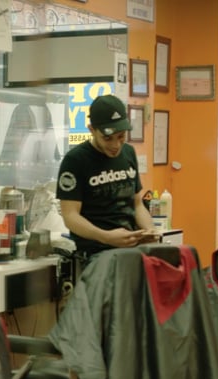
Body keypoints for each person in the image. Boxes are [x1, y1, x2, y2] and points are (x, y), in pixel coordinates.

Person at [56, 94, 157, 260]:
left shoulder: (129, 153)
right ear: (92, 130)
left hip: (130, 251)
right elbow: (70, 216)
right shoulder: (75, 160)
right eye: (107, 138)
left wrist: (149, 230)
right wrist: (105, 236)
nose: (116, 145)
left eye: (121, 136)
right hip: (96, 255)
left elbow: (137, 204)